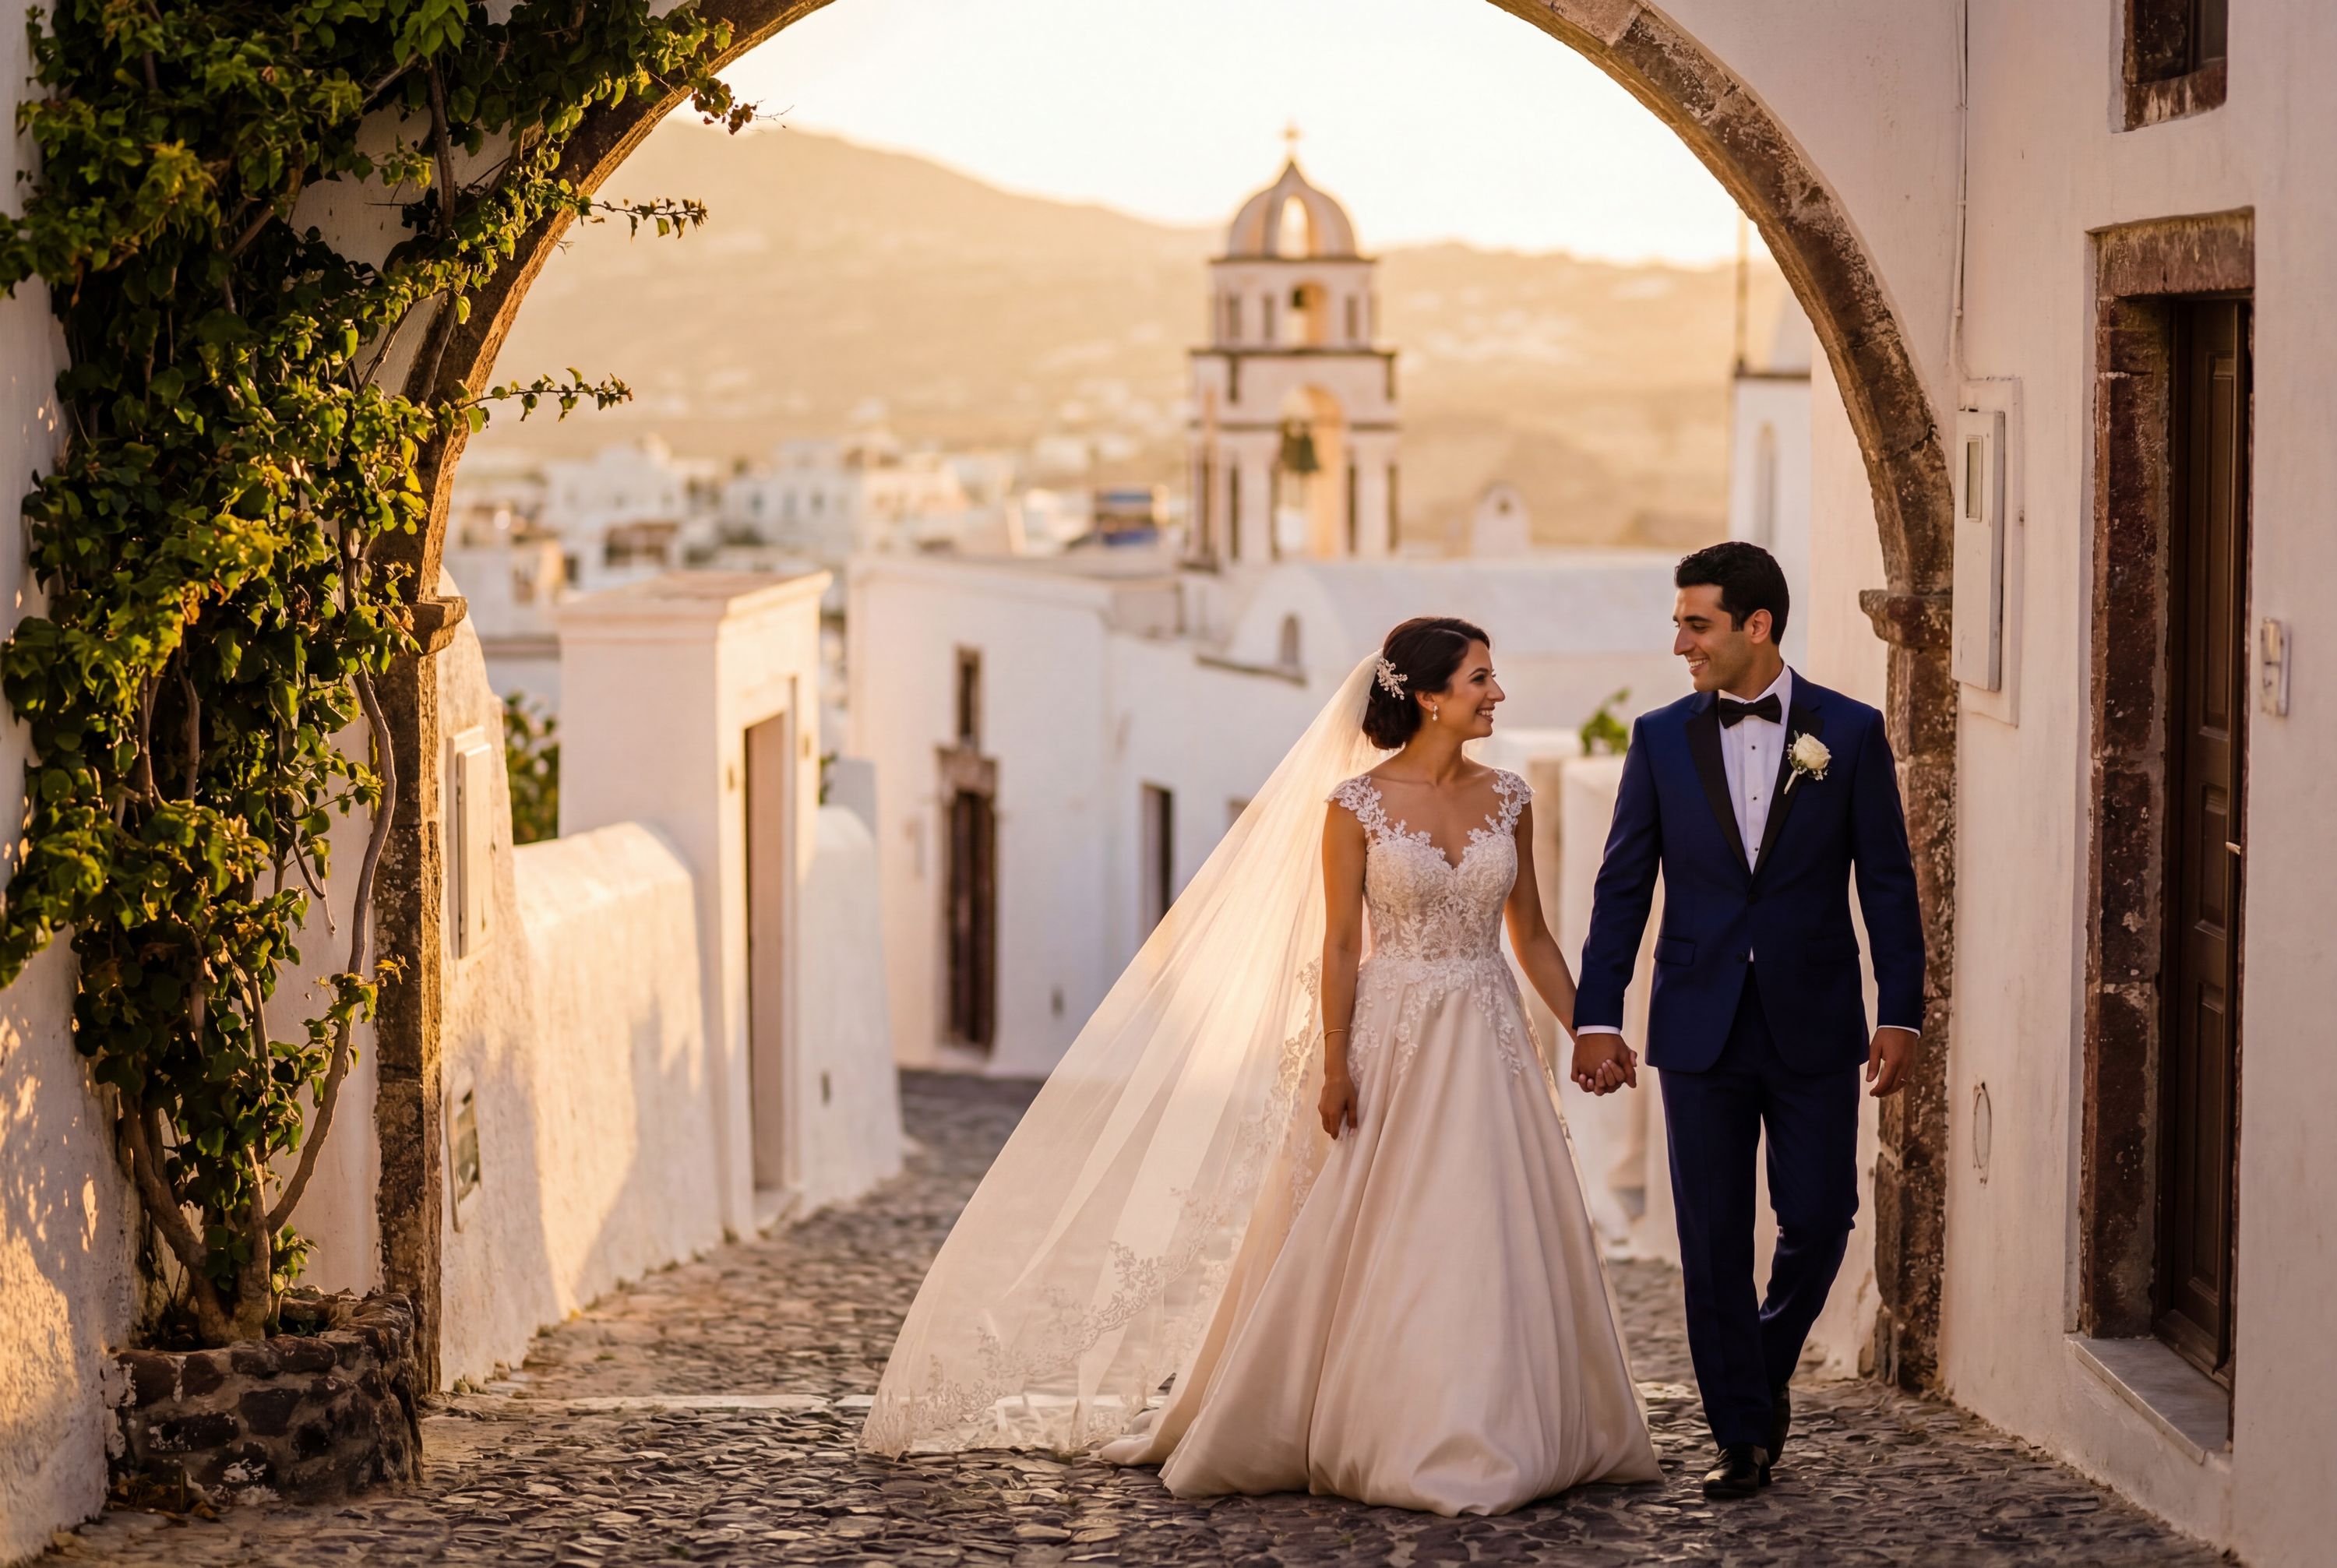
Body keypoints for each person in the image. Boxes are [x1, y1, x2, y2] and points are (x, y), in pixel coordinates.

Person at [862, 617, 1659, 1516]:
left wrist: (1593, 1029)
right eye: (1481, 679)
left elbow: (1535, 936)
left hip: (1488, 1040)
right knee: (1391, 1222)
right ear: (1429, 696)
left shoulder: (1508, 798)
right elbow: (1343, 943)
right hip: (1391, 1040)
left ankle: (1500, 1423)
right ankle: (1388, 1421)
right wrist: (1333, 1064)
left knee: (1487, 1223)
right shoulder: (1355, 805)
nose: (1498, 694)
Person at [1574, 541, 1926, 1501]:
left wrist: (1903, 1013)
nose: (1679, 641)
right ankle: (1742, 1435)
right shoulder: (1657, 740)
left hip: (1814, 1019)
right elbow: (1621, 890)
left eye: (1697, 623)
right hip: (1697, 1025)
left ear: (1755, 627)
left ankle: (1757, 1367)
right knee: (1714, 1236)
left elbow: (1888, 884)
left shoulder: (1848, 735)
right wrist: (1596, 1016)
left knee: (1821, 1217)